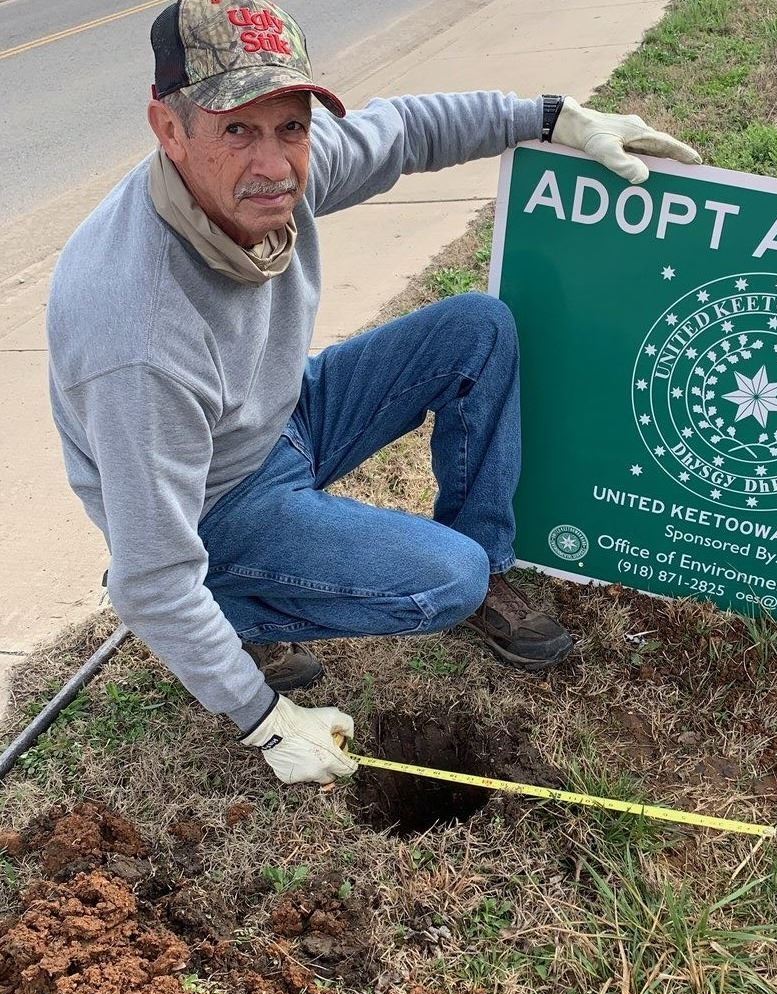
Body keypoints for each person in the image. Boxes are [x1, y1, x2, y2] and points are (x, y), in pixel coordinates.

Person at [47, 0, 700, 786]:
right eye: (236, 129)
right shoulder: (136, 335)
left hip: (281, 414)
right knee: (439, 580)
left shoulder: (273, 178)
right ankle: (231, 604)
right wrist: (262, 718)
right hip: (216, 503)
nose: (274, 163)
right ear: (169, 129)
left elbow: (405, 130)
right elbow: (152, 577)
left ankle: (489, 566)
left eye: (290, 126)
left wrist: (555, 118)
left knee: (475, 327)